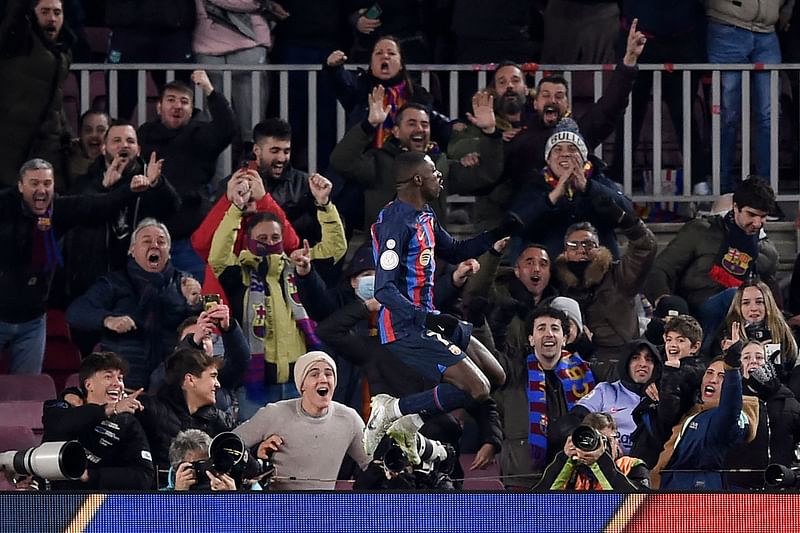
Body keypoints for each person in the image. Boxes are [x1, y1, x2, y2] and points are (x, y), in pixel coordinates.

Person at [362, 150, 511, 456]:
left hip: (430, 319)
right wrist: (424, 318)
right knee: (477, 388)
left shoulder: (426, 215)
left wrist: (496, 234)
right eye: (433, 172)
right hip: (405, 328)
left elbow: (455, 250)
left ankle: (411, 416)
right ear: (418, 179)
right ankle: (393, 410)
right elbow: (384, 290)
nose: (439, 176)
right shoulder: (395, 224)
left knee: (496, 376)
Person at [0, 158, 157, 374]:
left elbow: (96, 205)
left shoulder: (58, 209)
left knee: (28, 391)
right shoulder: (4, 208)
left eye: (47, 183)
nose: (42, 190)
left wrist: (130, 191)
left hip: (33, 320)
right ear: (20, 186)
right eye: (34, 183)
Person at [208, 173, 345, 415]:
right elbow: (217, 256)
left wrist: (324, 205)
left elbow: (336, 248)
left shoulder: (298, 266)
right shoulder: (238, 274)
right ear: (248, 241)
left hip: (300, 384)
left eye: (275, 238)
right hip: (255, 387)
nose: (269, 243)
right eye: (261, 238)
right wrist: (236, 210)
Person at [329, 96, 503, 231]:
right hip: (385, 254)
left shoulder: (440, 165)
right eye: (412, 124)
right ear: (396, 132)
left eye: (425, 124)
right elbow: (342, 161)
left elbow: (486, 175)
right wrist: (369, 125)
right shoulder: (379, 161)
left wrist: (490, 133)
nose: (420, 129)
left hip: (430, 256)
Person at [66, 219, 202, 389]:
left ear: (169, 251)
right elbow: (76, 312)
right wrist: (108, 320)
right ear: (132, 250)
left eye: (161, 241)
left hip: (171, 383)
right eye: (146, 241)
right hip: (124, 382)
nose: (154, 245)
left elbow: (202, 331)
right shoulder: (114, 283)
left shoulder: (184, 284)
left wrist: (194, 303)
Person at [58, 120, 181, 307]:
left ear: (138, 149)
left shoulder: (149, 179)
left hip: (139, 282)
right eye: (117, 140)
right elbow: (76, 212)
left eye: (130, 141)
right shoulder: (86, 181)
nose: (124, 145)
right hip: (93, 279)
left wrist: (158, 184)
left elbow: (173, 208)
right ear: (104, 148)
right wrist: (102, 187)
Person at [137, 72, 237, 281]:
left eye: (184, 102)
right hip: (151, 234)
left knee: (197, 295)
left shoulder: (200, 135)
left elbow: (227, 128)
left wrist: (209, 91)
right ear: (159, 107)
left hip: (191, 234)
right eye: (171, 100)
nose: (177, 106)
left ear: (191, 110)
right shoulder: (144, 135)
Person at [233, 351, 371, 490]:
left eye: (328, 374)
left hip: (323, 508)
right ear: (302, 385)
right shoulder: (274, 413)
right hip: (278, 508)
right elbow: (227, 445)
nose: (323, 379)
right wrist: (257, 456)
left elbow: (373, 465)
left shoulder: (349, 419)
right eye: (314, 374)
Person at [645, 177, 779, 315]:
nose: (757, 223)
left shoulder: (766, 249)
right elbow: (659, 269)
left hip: (745, 317)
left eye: (763, 217)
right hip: (697, 313)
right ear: (735, 207)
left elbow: (771, 289)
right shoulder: (701, 231)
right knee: (733, 295)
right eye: (751, 214)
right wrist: (664, 300)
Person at [495, 305, 595, 490]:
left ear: (564, 339)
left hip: (574, 477)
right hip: (525, 478)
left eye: (555, 328)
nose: (549, 334)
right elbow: (491, 352)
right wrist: (493, 323)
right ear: (531, 339)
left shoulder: (585, 373)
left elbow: (623, 374)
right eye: (541, 328)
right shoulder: (514, 372)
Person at [651, 324, 759, 490]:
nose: (713, 380)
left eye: (721, 376)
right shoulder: (692, 411)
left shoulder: (728, 417)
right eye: (709, 373)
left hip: (701, 495)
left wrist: (732, 368)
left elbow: (730, 411)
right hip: (669, 489)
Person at [510, 119, 636, 259]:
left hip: (597, 271)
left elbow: (629, 213)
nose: (565, 154)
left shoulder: (599, 181)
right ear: (548, 160)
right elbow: (516, 224)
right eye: (557, 149)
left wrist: (588, 188)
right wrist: (553, 196)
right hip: (552, 272)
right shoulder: (534, 186)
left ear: (584, 159)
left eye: (572, 149)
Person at [552, 215, 657, 382]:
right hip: (569, 360)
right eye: (574, 245)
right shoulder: (556, 281)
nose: (581, 250)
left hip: (619, 358)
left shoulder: (618, 275)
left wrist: (625, 219)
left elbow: (645, 248)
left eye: (588, 244)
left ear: (599, 248)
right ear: (565, 251)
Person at [706, 0, 792, 192]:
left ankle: (765, 194)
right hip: (727, 27)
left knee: (769, 116)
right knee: (727, 115)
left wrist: (784, 12)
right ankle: (723, 192)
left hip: (768, 32)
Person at [41, 351, 155, 490]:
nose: (117, 384)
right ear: (89, 385)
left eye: (120, 378)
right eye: (108, 377)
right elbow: (58, 427)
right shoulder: (61, 407)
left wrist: (90, 475)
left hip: (102, 503)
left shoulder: (128, 423)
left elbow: (144, 476)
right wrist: (107, 409)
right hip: (54, 500)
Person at [0, 0, 74, 191]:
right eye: (45, 11)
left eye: (57, 12)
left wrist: (65, 133)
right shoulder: (17, 42)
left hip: (47, 147)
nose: (52, 18)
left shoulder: (63, 51)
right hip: (10, 147)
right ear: (31, 14)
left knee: (45, 214)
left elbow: (56, 102)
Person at [325, 35, 448, 146]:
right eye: (379, 53)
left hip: (406, 161)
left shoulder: (417, 93)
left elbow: (437, 121)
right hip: (366, 161)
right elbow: (342, 82)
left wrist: (455, 126)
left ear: (401, 64)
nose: (385, 56)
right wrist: (334, 68)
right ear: (371, 64)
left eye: (391, 53)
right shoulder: (359, 86)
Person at [137, 347, 235, 481]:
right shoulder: (149, 410)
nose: (217, 384)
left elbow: (245, 457)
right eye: (213, 376)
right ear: (190, 380)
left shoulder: (217, 419)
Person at [555, 339, 662, 455]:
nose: (643, 364)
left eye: (649, 359)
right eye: (635, 358)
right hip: (606, 464)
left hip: (649, 467)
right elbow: (572, 420)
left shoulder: (662, 396)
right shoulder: (606, 391)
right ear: (626, 362)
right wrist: (590, 442)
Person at [192, 0, 272, 151]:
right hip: (208, 49)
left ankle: (252, 173)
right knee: (211, 127)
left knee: (253, 129)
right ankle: (215, 175)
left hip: (250, 50)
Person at [629, 314, 707, 468]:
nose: (673, 345)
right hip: (647, 443)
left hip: (663, 448)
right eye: (669, 339)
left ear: (695, 347)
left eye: (680, 340)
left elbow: (668, 416)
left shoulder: (692, 372)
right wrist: (650, 382)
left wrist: (670, 373)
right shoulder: (666, 364)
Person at [724, 341, 800, 489]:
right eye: (746, 357)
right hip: (738, 489)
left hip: (779, 490)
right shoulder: (730, 401)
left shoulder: (787, 401)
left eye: (759, 357)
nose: (753, 361)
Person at [713, 280, 799, 392]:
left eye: (759, 302)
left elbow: (791, 369)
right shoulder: (726, 333)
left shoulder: (782, 332)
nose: (753, 308)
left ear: (768, 304)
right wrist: (732, 355)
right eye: (746, 303)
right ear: (738, 307)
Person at [534, 412, 649, 491]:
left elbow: (641, 505)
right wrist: (564, 459)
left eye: (605, 440)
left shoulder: (633, 465)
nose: (599, 446)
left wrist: (602, 460)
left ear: (616, 440)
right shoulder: (571, 469)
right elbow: (537, 502)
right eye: (593, 441)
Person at [165, 429, 239, 491]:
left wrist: (232, 500)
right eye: (200, 465)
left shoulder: (226, 485)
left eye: (209, 462)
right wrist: (178, 496)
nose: (207, 469)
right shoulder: (161, 499)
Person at [66, 110, 109, 184]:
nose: (94, 135)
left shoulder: (119, 160)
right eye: (88, 130)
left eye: (100, 130)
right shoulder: (65, 159)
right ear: (80, 134)